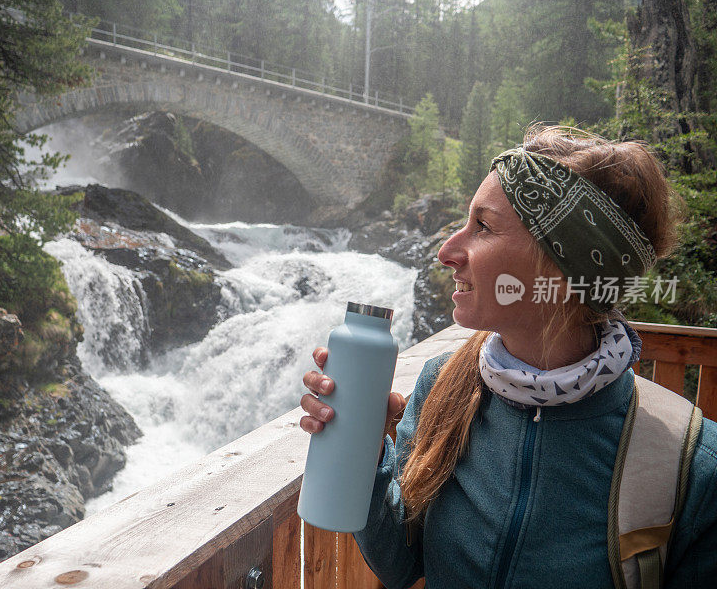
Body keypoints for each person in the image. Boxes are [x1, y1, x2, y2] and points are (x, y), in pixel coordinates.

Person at [299, 126, 717, 588]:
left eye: (483, 226)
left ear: (560, 267)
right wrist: (366, 450)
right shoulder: (443, 384)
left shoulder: (690, 465)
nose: (447, 251)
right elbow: (398, 564)